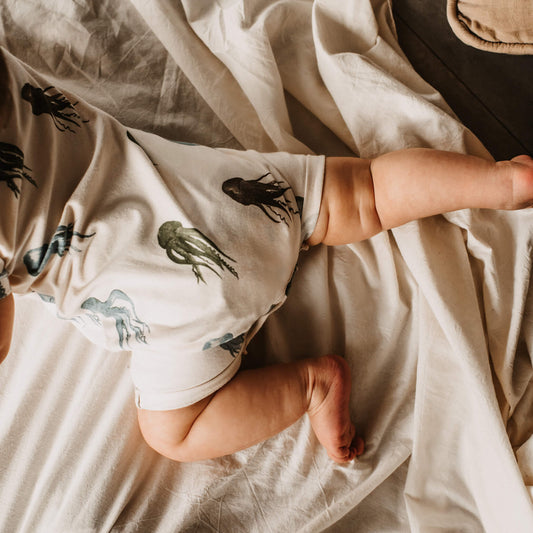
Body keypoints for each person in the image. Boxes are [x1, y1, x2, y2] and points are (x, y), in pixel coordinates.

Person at [1, 47, 533, 464]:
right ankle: (501, 182)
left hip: (179, 310)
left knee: (172, 432)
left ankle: (311, 386)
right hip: (217, 194)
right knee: (366, 191)